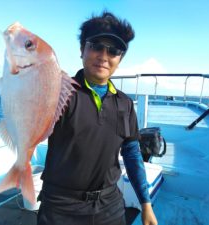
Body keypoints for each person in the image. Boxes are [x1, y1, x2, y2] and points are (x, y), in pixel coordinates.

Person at [37, 11, 158, 225]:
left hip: (109, 205)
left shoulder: (125, 104)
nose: (103, 56)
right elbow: (32, 121)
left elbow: (131, 154)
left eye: (113, 51)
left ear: (119, 59)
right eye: (95, 46)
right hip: (60, 206)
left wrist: (145, 204)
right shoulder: (58, 93)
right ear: (82, 49)